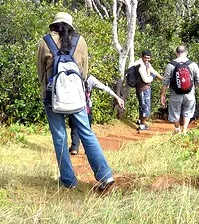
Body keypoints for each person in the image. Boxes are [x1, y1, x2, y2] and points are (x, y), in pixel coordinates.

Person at [36, 11, 114, 191]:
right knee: (86, 133)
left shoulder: (44, 41)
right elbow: (84, 72)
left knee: (60, 137)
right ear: (70, 25)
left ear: (54, 25)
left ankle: (68, 181)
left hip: (52, 97)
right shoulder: (80, 41)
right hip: (76, 96)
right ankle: (105, 175)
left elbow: (41, 73)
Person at [68, 74, 125, 155]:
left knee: (74, 127)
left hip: (74, 107)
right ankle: (88, 149)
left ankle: (74, 147)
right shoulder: (90, 78)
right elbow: (104, 88)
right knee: (87, 129)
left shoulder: (71, 77)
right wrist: (117, 97)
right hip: (86, 108)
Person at [160, 45, 199, 135]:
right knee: (187, 112)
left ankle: (177, 129)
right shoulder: (193, 64)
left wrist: (162, 95)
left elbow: (165, 81)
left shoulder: (170, 65)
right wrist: (195, 86)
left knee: (175, 112)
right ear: (186, 52)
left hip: (175, 94)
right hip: (190, 93)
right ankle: (185, 130)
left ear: (176, 53)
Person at [130, 50, 163, 131]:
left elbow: (153, 71)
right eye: (145, 58)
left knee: (143, 106)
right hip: (142, 89)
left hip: (146, 89)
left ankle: (140, 120)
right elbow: (146, 80)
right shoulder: (141, 66)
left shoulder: (147, 64)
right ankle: (142, 125)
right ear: (142, 57)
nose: (147, 60)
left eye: (148, 58)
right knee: (145, 107)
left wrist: (163, 79)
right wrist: (152, 76)